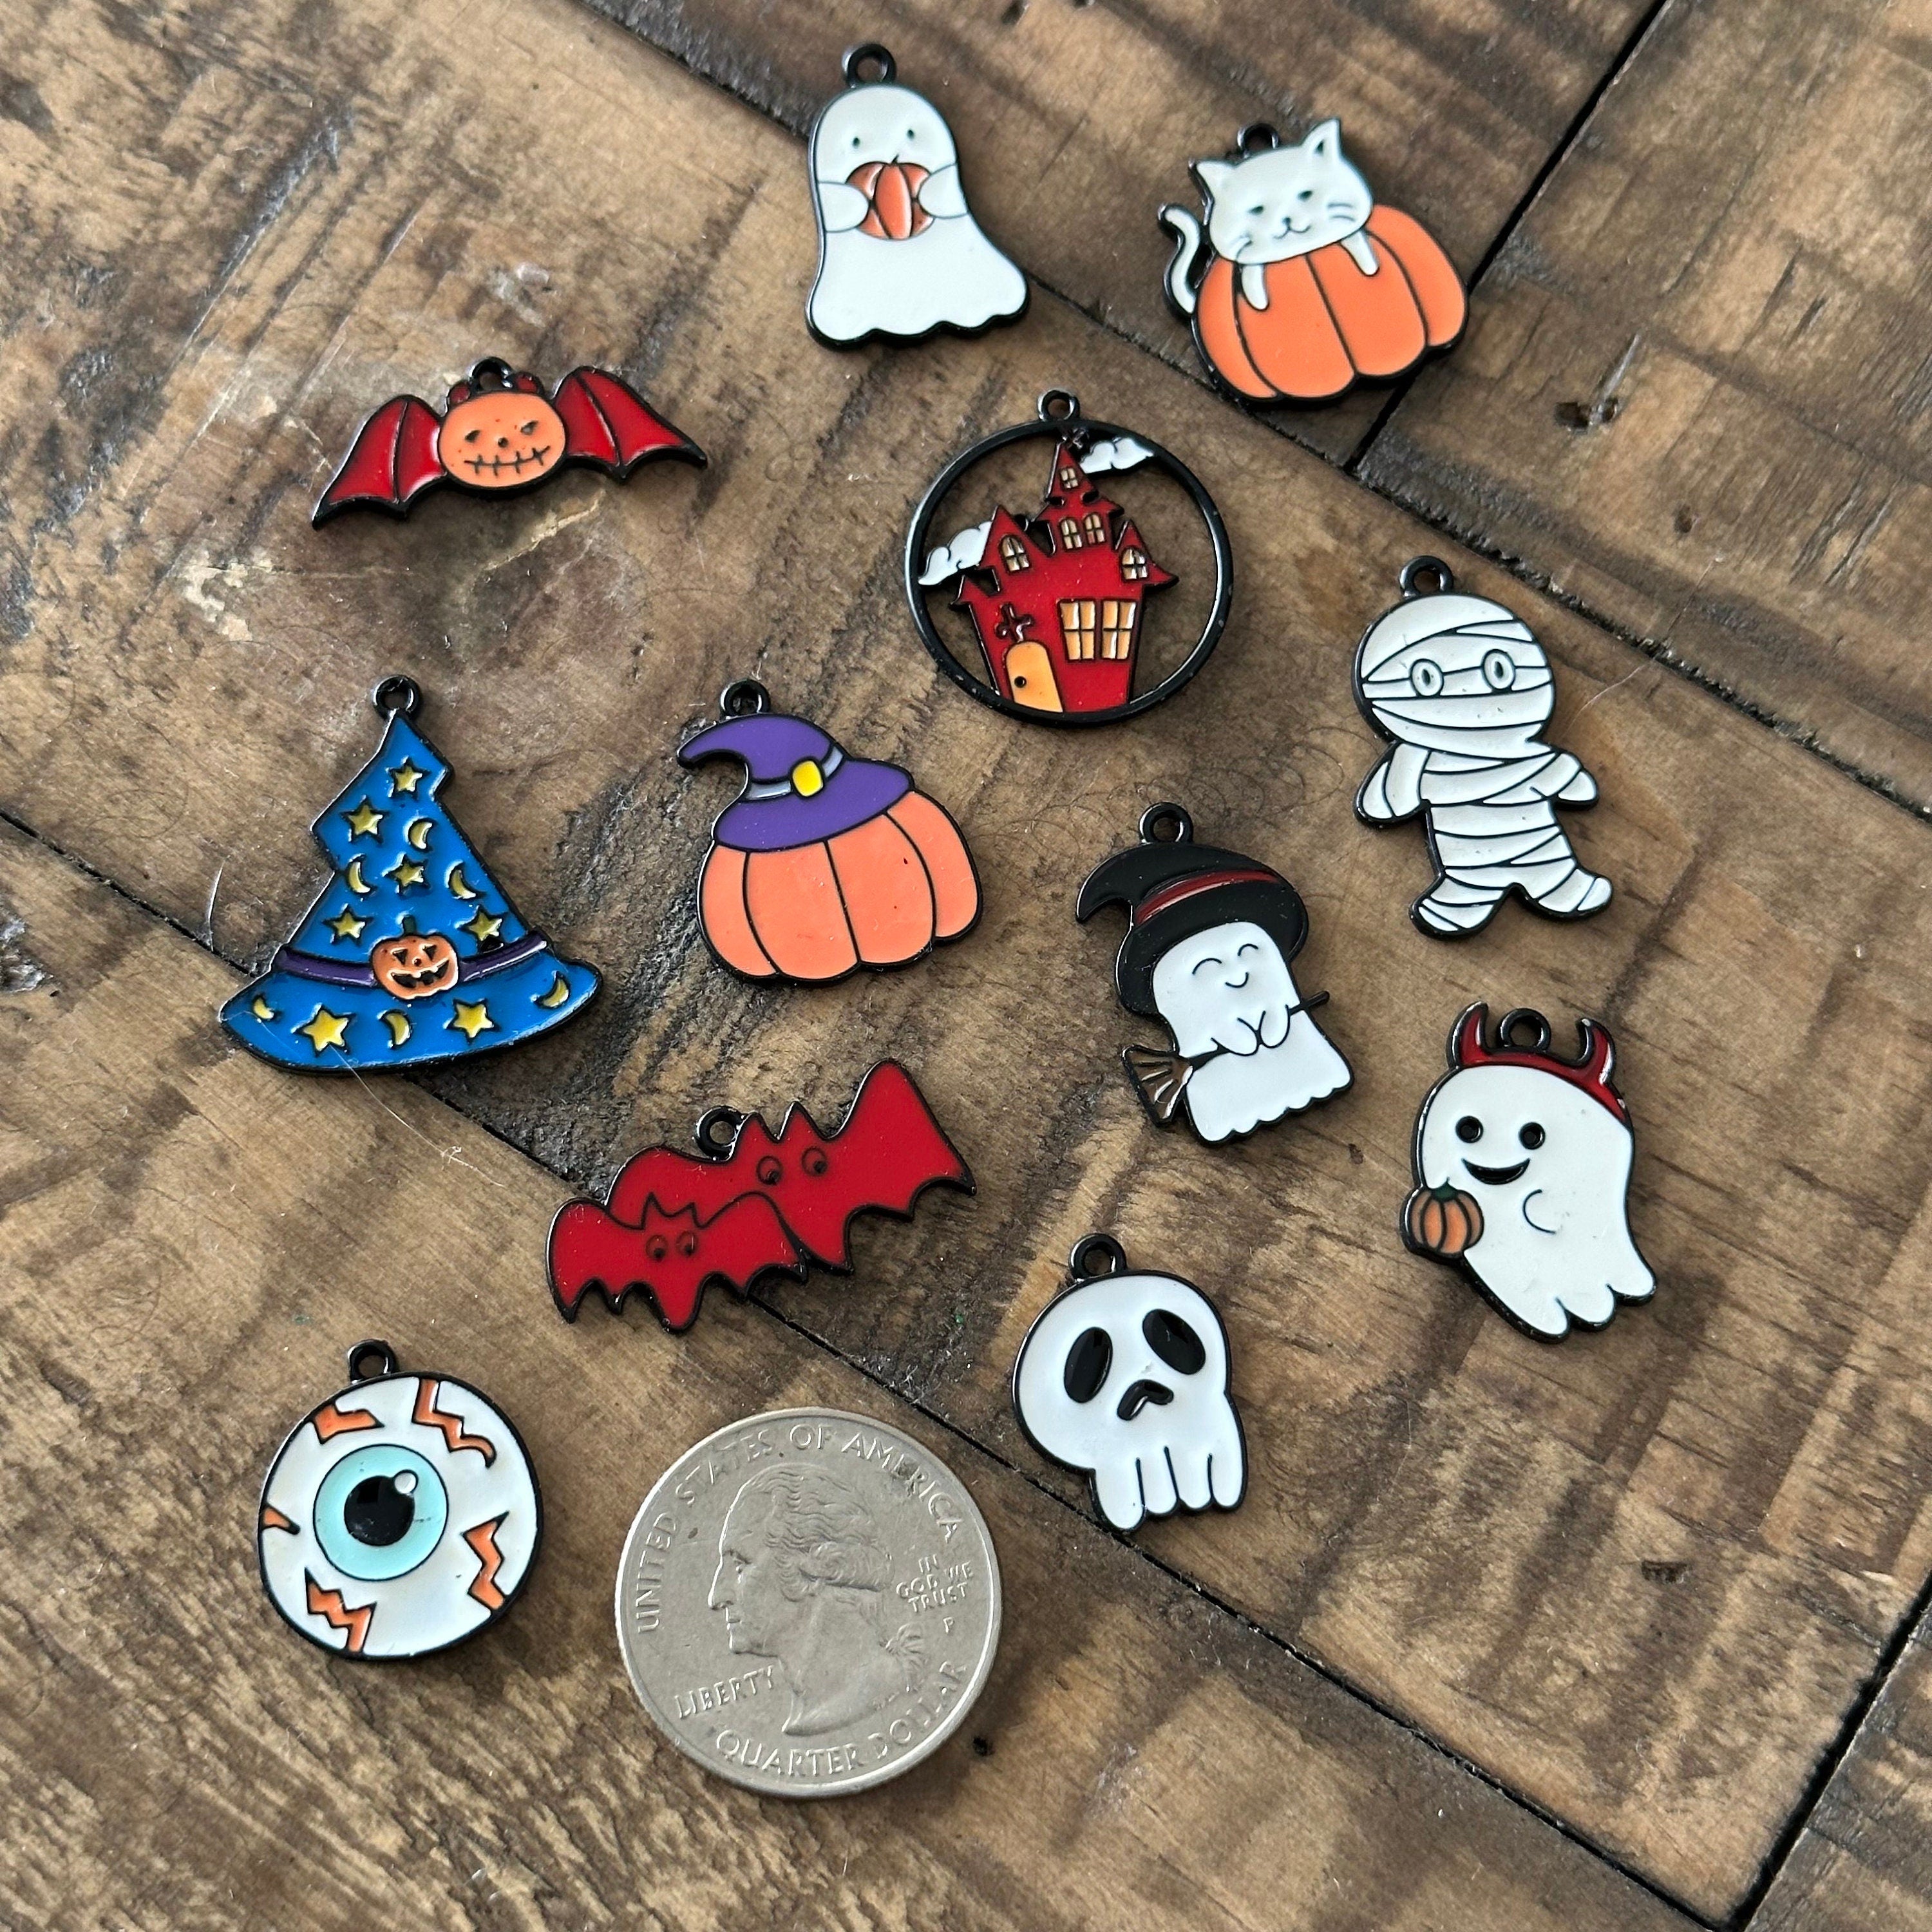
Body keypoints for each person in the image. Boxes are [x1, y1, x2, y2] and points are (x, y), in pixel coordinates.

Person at [708, 1466, 923, 1736]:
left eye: (741, 1565)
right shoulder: (814, 1710)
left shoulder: (875, 1692)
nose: (716, 1598)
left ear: (817, 1564)